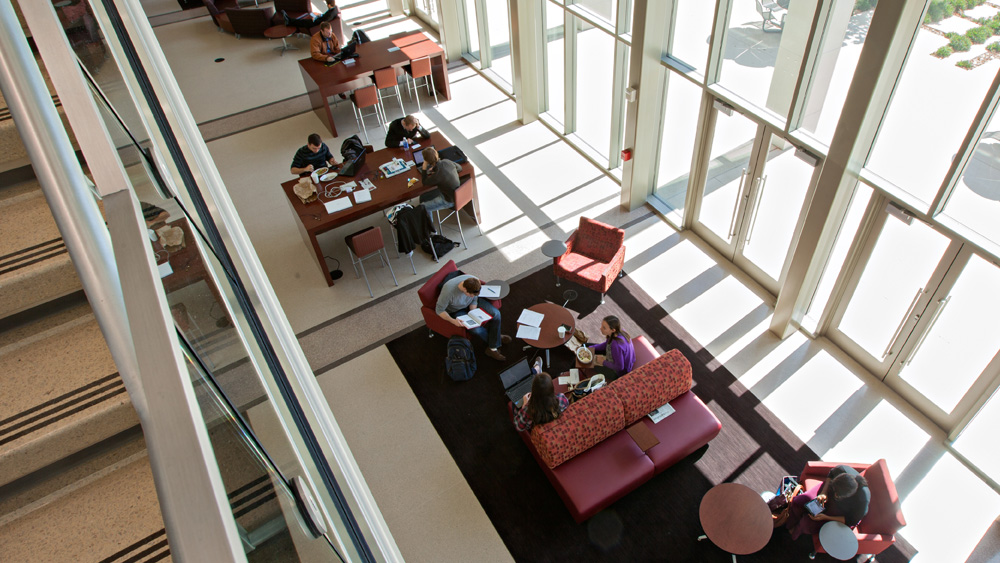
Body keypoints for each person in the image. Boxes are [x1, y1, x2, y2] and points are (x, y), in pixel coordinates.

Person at [435, 275, 511, 361]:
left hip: (471, 305)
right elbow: (439, 310)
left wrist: (473, 311)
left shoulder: (474, 280)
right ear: (464, 289)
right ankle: (494, 344)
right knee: (476, 330)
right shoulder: (448, 292)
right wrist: (453, 321)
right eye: (470, 294)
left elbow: (474, 298)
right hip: (456, 310)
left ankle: (493, 342)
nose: (472, 296)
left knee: (496, 313)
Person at [785, 465, 871, 540]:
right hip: (829, 491)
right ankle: (787, 523)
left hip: (843, 512)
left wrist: (826, 517)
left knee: (807, 523)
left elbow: (851, 521)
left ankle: (794, 534)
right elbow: (831, 474)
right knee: (799, 502)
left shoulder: (862, 501)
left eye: (838, 495)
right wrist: (824, 492)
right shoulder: (842, 470)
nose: (835, 495)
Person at [513, 361, 569, 432]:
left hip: (535, 428)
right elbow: (566, 405)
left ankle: (536, 369)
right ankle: (537, 369)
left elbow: (518, 426)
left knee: (514, 406)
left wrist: (524, 405)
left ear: (533, 390)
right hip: (552, 425)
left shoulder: (528, 409)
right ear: (552, 388)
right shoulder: (561, 398)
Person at [585, 316, 635, 381]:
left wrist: (603, 362)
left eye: (604, 328)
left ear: (613, 330)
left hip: (618, 373)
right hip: (616, 357)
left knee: (589, 363)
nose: (600, 328)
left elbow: (620, 367)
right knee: (586, 346)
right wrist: (591, 348)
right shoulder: (619, 332)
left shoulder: (616, 345)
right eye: (602, 326)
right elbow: (606, 345)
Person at [418, 147, 462, 221]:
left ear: (427, 161)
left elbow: (424, 182)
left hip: (449, 200)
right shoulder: (447, 161)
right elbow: (460, 168)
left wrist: (424, 168)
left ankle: (431, 229)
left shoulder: (436, 176)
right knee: (423, 197)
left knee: (423, 207)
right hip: (458, 194)